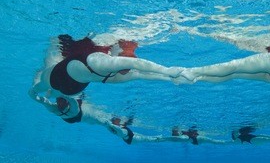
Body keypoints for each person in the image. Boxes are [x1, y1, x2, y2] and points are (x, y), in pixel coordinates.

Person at [29, 34, 184, 100]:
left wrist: (169, 76)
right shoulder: (102, 63)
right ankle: (44, 94)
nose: (128, 69)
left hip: (71, 84)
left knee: (49, 90)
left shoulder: (113, 74)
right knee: (45, 87)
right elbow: (136, 65)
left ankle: (46, 94)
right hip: (60, 79)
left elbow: (140, 73)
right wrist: (168, 71)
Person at [30, 93, 135, 144]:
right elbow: (43, 101)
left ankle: (124, 127)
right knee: (107, 122)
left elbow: (71, 99)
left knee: (107, 122)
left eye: (60, 99)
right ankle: (124, 130)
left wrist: (34, 94)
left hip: (87, 116)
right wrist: (33, 93)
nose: (58, 102)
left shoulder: (67, 108)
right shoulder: (58, 108)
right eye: (58, 99)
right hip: (87, 116)